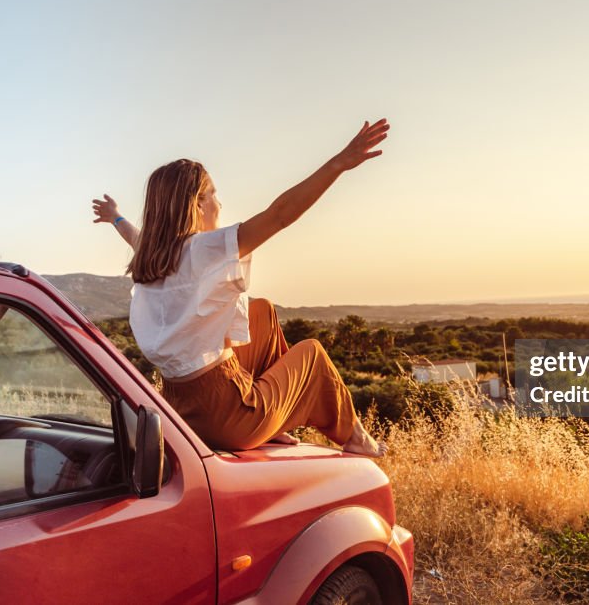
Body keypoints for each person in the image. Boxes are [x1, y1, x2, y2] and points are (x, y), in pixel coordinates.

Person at [92, 119, 389, 457]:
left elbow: (134, 236)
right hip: (230, 414)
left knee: (260, 311)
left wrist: (115, 216)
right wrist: (339, 163)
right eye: (213, 194)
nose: (218, 203)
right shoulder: (203, 248)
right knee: (313, 354)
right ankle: (356, 438)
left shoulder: (153, 254)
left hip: (182, 407)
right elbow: (279, 215)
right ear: (197, 204)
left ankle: (276, 424)